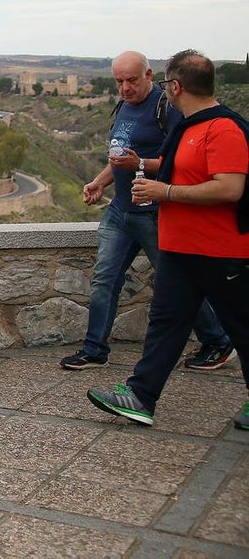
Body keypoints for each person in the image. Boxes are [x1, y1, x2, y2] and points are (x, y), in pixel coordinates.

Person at [88, 49, 248, 430]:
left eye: (165, 84)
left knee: (242, 328)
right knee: (165, 322)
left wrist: (166, 193)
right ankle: (141, 396)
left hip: (220, 252)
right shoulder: (188, 127)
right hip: (180, 249)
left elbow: (230, 188)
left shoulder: (224, 128)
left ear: (175, 86)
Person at [61, 50, 232, 371]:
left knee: (177, 283)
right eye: (119, 82)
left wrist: (140, 163)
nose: (125, 88)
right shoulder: (123, 108)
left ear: (149, 76)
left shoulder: (167, 108)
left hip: (155, 213)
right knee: (104, 280)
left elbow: (182, 163)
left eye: (131, 80)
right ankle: (94, 349)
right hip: (120, 211)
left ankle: (217, 341)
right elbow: (119, 159)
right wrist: (100, 181)